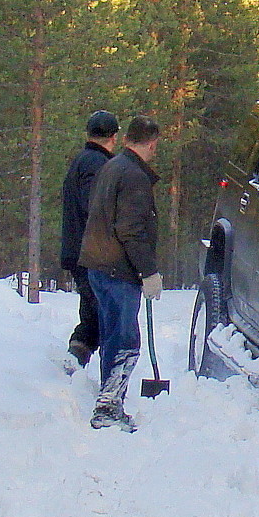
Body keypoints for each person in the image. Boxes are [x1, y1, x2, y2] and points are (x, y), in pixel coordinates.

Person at [78, 115, 163, 432]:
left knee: (114, 334)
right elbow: (130, 230)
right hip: (117, 269)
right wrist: (149, 272)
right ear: (152, 143)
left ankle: (109, 399)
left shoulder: (112, 166)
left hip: (100, 265)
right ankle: (108, 407)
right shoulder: (133, 177)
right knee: (125, 340)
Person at [60, 110, 119, 370]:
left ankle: (76, 360)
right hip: (89, 252)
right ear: (114, 137)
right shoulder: (97, 165)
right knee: (98, 314)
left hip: (80, 249)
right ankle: (74, 361)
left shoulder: (82, 160)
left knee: (92, 310)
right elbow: (93, 207)